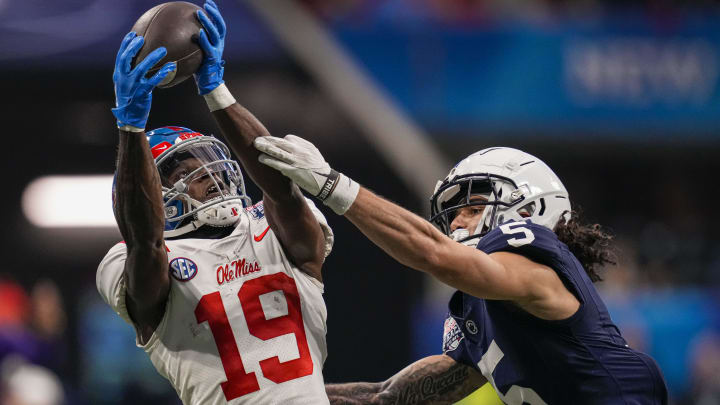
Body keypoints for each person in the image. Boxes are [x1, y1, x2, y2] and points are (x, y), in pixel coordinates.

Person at [254, 136, 669, 404]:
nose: (457, 224)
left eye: (472, 208)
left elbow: (433, 254)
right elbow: (387, 398)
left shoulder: (537, 261)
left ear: (528, 210)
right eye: (453, 215)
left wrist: (331, 184)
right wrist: (289, 397)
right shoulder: (488, 315)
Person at [96, 1, 336, 403]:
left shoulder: (268, 227)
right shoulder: (134, 259)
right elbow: (146, 242)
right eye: (180, 172)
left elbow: (282, 190)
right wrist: (131, 126)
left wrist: (217, 92)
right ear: (155, 194)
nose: (206, 175)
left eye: (206, 164)